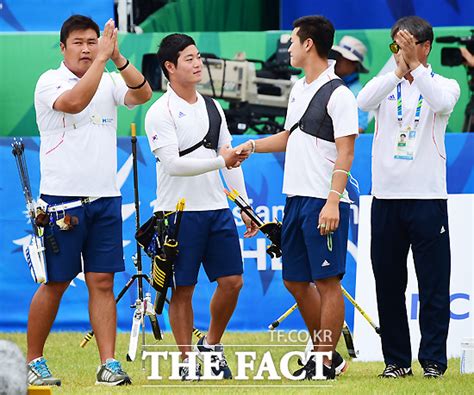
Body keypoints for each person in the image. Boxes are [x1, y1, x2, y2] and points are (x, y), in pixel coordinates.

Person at [29, 15, 152, 386]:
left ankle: (108, 364)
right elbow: (75, 103)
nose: (87, 48)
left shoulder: (110, 79)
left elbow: (143, 95)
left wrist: (118, 59)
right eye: (79, 42)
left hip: (105, 198)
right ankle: (34, 359)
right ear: (63, 47)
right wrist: (101, 59)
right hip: (62, 201)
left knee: (103, 281)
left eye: (93, 41)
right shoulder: (49, 81)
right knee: (56, 281)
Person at [237, 15, 358, 380]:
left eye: (292, 41)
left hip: (325, 200)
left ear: (309, 44)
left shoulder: (340, 94)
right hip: (296, 199)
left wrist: (333, 201)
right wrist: (251, 146)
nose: (288, 47)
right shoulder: (298, 89)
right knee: (294, 280)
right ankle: (327, 355)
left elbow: (346, 153)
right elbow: (288, 137)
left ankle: (322, 361)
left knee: (328, 283)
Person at [144, 33, 258, 381]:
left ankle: (210, 346)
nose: (197, 64)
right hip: (177, 213)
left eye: (198, 57)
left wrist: (244, 204)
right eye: (189, 59)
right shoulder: (158, 112)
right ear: (169, 67)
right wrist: (220, 162)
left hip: (216, 209)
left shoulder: (213, 106)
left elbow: (232, 156)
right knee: (183, 290)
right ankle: (185, 360)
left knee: (233, 281)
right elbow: (174, 164)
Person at [357, 16, 460, 378]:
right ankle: (396, 361)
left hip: (427, 198)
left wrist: (415, 66)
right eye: (395, 45)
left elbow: (442, 104)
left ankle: (433, 360)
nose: (399, 52)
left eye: (406, 44)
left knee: (433, 283)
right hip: (385, 197)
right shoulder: (387, 84)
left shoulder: (444, 84)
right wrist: (399, 69)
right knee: (388, 284)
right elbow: (362, 99)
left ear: (425, 46)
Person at [331, 35, 370, 132]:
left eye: (343, 57)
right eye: (338, 56)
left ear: (354, 64)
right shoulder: (330, 84)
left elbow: (360, 127)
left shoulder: (359, 93)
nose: (338, 60)